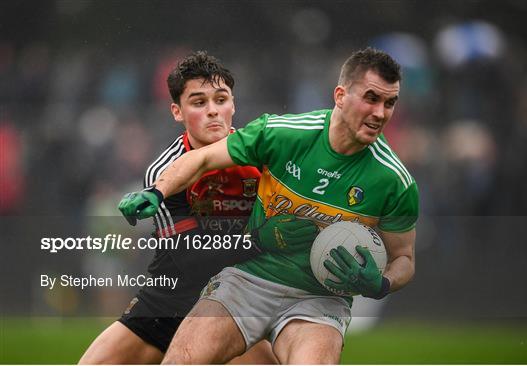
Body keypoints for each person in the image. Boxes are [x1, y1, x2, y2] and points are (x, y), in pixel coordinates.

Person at [118, 47, 419, 364]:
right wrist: (158, 191)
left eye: (390, 103)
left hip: (320, 300)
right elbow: (202, 158)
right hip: (247, 281)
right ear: (341, 95)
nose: (380, 113)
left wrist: (382, 283)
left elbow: (404, 258)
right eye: (371, 98)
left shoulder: (394, 181)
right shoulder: (284, 134)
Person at [80, 51, 317, 364]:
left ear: (233, 104)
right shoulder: (164, 173)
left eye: (221, 99)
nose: (213, 112)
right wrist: (261, 240)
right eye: (199, 102)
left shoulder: (265, 162)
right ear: (177, 112)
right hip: (170, 302)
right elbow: (188, 257)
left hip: (237, 304)